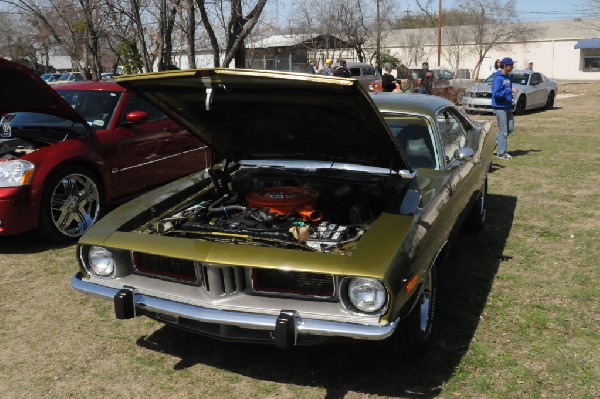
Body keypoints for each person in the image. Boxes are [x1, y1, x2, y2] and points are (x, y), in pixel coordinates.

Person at [492, 57, 520, 160]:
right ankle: (502, 153)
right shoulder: (498, 78)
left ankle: (491, 144)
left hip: (507, 106)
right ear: (505, 66)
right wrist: (509, 91)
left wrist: (510, 97)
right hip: (500, 107)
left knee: (510, 128)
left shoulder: (508, 78)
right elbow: (496, 94)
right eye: (511, 65)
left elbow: (507, 91)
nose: (513, 67)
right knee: (503, 131)